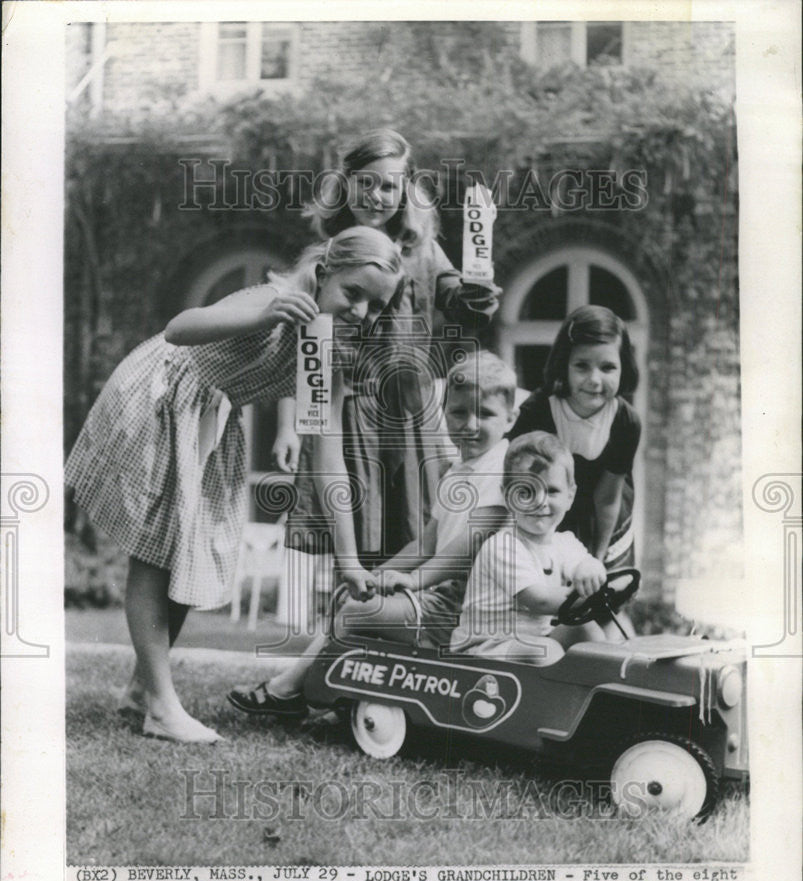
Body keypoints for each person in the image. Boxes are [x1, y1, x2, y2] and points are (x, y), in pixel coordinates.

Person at [65, 226, 403, 742]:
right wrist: (264, 314)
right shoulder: (274, 298)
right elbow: (179, 328)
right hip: (167, 396)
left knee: (190, 553)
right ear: (325, 271)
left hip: (213, 419)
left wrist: (350, 561)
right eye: (352, 294)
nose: (361, 312)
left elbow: (329, 458)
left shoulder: (328, 355)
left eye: (375, 307)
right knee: (158, 553)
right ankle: (160, 704)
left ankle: (142, 693)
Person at [227, 351, 518, 717]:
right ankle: (332, 693)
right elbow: (428, 540)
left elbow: (471, 544)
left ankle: (292, 691)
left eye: (486, 414)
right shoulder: (458, 471)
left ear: (511, 418)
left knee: (355, 614)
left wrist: (413, 581)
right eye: (459, 412)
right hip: (441, 600)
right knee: (350, 599)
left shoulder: (504, 471)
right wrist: (377, 575)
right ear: (444, 414)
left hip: (466, 613)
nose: (470, 424)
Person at [273, 127, 500, 562]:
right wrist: (288, 424)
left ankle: (402, 626)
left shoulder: (423, 252)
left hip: (411, 415)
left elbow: (461, 303)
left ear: (405, 192)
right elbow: (303, 350)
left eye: (389, 186)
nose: (377, 196)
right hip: (351, 416)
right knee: (357, 540)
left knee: (416, 536)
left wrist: (477, 284)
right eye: (366, 183)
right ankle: (354, 622)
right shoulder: (331, 257)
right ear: (346, 185)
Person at [450, 432, 609, 664]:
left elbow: (585, 564)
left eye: (552, 490)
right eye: (526, 492)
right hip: (484, 646)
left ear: (570, 496)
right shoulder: (504, 546)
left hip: (532, 639)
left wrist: (592, 570)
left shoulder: (564, 542)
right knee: (547, 651)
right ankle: (557, 699)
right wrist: (592, 598)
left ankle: (598, 697)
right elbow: (539, 601)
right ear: (506, 495)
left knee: (589, 634)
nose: (540, 501)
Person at [509, 305, 641, 569]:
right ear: (564, 365)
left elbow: (607, 499)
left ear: (623, 368)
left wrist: (597, 560)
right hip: (545, 505)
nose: (594, 380)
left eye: (607, 368)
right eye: (582, 366)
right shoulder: (538, 411)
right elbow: (519, 484)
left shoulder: (626, 421)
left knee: (603, 587)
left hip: (601, 514)